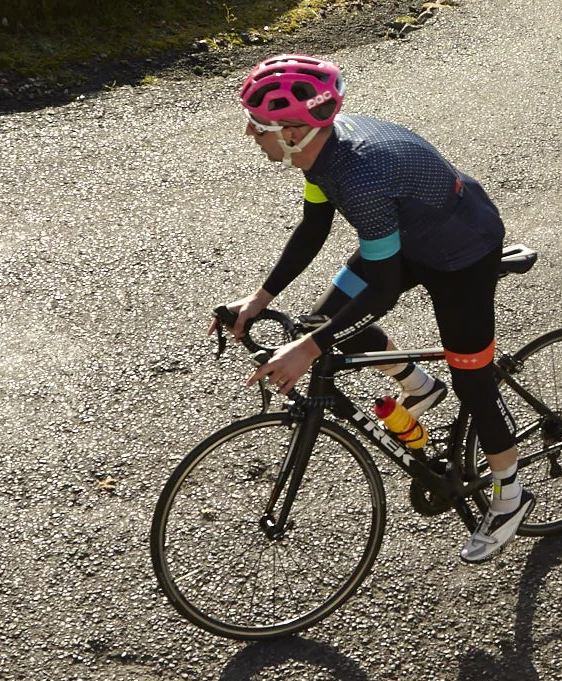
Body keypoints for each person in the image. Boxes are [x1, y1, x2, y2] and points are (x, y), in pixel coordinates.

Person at [223, 54, 533, 563]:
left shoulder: (359, 176)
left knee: (472, 379)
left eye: (259, 126)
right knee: (320, 324)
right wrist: (259, 300)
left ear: (297, 130)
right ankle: (417, 386)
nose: (249, 132)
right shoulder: (319, 153)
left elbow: (383, 291)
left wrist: (306, 351)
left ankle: (510, 493)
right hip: (404, 233)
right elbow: (313, 227)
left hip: (462, 254)